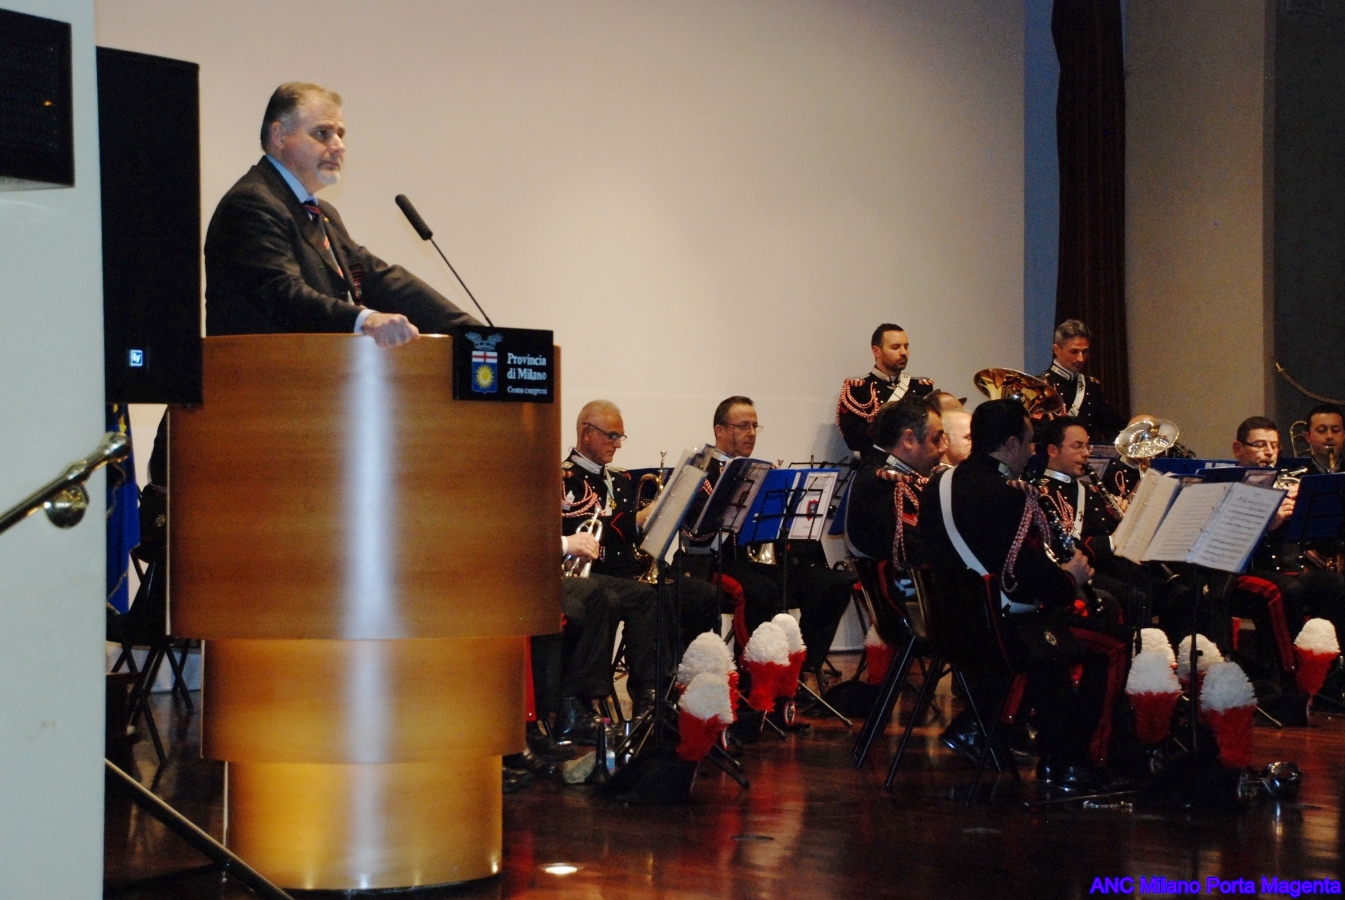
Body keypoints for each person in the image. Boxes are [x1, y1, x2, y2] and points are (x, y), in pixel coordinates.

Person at [920, 400, 1128, 790]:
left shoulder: (937, 485)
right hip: (1000, 630)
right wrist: (1070, 577)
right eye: (1030, 442)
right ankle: (1080, 761)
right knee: (1113, 645)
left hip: (952, 624)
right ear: (1012, 443)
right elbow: (1027, 581)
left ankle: (993, 728)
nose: (1034, 451)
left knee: (1053, 641)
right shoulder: (1010, 494)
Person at [204, 82, 477, 345]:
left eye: (340, 135)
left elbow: (376, 279)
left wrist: (472, 332)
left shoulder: (322, 213)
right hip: (260, 371)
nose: (339, 146)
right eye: (322, 133)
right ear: (280, 136)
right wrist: (364, 320)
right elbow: (283, 294)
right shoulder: (251, 203)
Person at [686, 397, 853, 680]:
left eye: (754, 426)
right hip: (717, 563)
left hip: (760, 564)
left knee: (834, 583)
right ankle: (753, 674)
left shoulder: (763, 471)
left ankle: (801, 667)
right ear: (719, 430)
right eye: (742, 426)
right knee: (760, 591)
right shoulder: (701, 470)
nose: (751, 433)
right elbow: (695, 531)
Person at [845, 397, 944, 571]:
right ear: (908, 439)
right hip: (907, 584)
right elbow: (914, 553)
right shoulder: (886, 483)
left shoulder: (880, 471)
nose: (943, 448)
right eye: (936, 440)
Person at [836, 324, 936, 453]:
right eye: (895, 347)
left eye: (906, 346)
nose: (903, 352)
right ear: (876, 351)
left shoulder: (921, 387)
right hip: (874, 463)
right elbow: (854, 440)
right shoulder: (859, 388)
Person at [1039, 320, 1125, 443]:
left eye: (1084, 352)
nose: (1080, 358)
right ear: (1056, 349)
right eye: (1074, 352)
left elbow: (1113, 428)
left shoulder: (1091, 386)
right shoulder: (1038, 385)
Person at [1302, 404, 1345, 475]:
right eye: (1321, 430)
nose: (1330, 436)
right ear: (1308, 437)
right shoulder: (1296, 477)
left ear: (1343, 435)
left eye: (1336, 430)